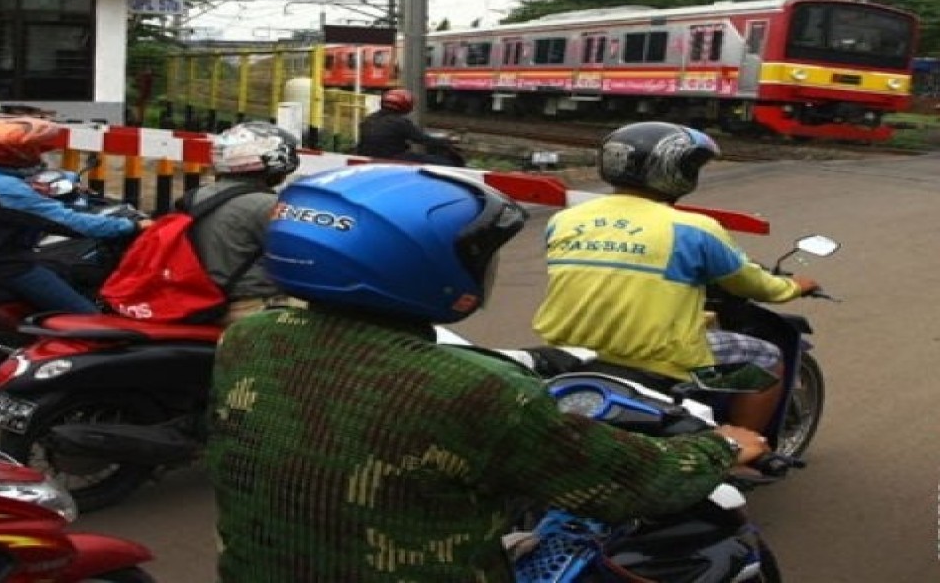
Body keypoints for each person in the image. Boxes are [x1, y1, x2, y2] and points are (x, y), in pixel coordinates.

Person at [205, 164, 770, 583]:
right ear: (418, 263)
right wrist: (721, 446)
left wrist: (530, 360)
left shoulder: (252, 338)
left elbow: (362, 381)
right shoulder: (479, 392)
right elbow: (629, 482)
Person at [531, 121, 819, 431]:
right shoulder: (694, 229)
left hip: (567, 354)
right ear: (674, 170)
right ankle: (739, 445)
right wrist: (794, 286)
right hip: (658, 360)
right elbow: (758, 286)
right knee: (768, 358)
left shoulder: (564, 220)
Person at [0, 117, 149, 313]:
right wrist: (132, 226)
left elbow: (27, 191)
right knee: (86, 315)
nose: (39, 153)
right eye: (34, 148)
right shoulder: (5, 187)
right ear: (14, 153)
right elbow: (69, 222)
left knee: (62, 270)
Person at [187, 121, 300, 324]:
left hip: (197, 301)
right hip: (250, 309)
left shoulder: (193, 197)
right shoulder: (269, 205)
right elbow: (298, 257)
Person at [355, 88, 458, 164]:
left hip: (367, 156)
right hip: (393, 158)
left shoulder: (369, 119)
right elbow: (422, 139)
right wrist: (446, 142)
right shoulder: (400, 122)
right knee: (443, 163)